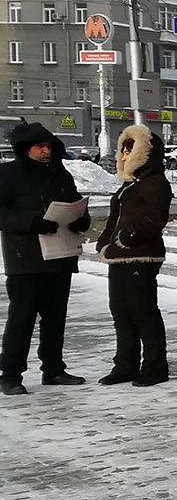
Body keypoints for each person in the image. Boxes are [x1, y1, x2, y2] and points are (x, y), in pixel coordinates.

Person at [0, 122, 92, 394]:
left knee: (55, 317)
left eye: (49, 146)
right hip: (25, 258)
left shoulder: (60, 175)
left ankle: (53, 369)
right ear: (26, 149)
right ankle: (10, 374)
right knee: (22, 318)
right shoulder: (8, 174)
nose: (46, 151)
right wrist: (31, 222)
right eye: (40, 146)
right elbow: (2, 214)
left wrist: (80, 220)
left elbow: (76, 205)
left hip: (60, 255)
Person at [97, 124, 174, 387]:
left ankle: (155, 367)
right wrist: (106, 240)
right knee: (120, 312)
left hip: (142, 256)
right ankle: (125, 365)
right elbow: (114, 218)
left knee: (143, 312)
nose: (125, 155)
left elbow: (155, 218)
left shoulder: (155, 182)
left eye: (131, 150)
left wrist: (126, 238)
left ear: (145, 152)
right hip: (118, 257)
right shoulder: (129, 185)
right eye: (124, 150)